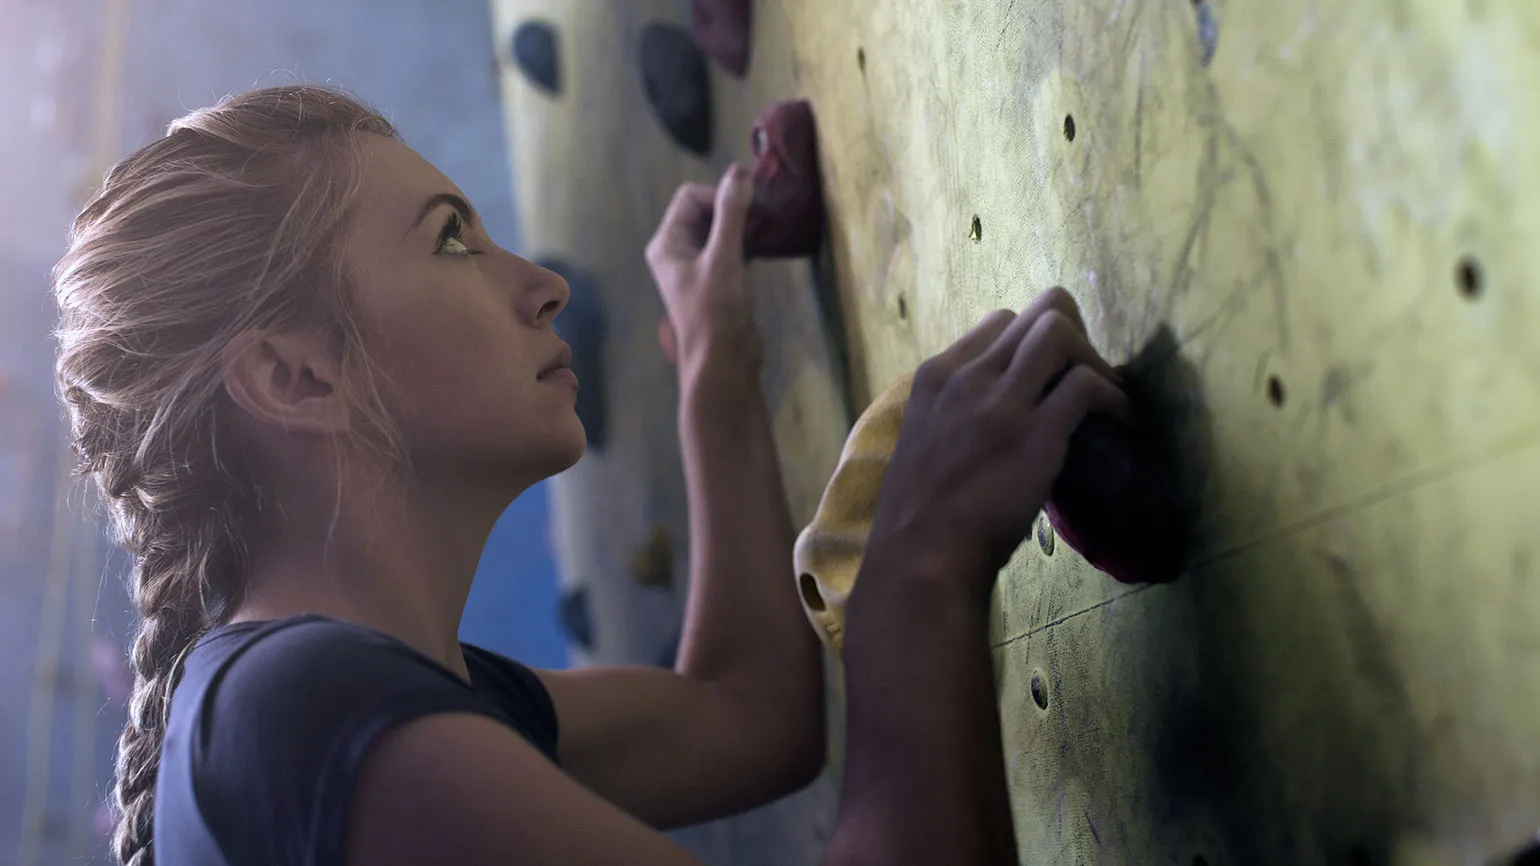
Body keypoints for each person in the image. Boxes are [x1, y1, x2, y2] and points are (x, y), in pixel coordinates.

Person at [53, 85, 1127, 866]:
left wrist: (710, 355)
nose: (544, 285)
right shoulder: (293, 719)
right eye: (453, 243)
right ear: (296, 373)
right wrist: (917, 565)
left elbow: (745, 716)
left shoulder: (320, 706)